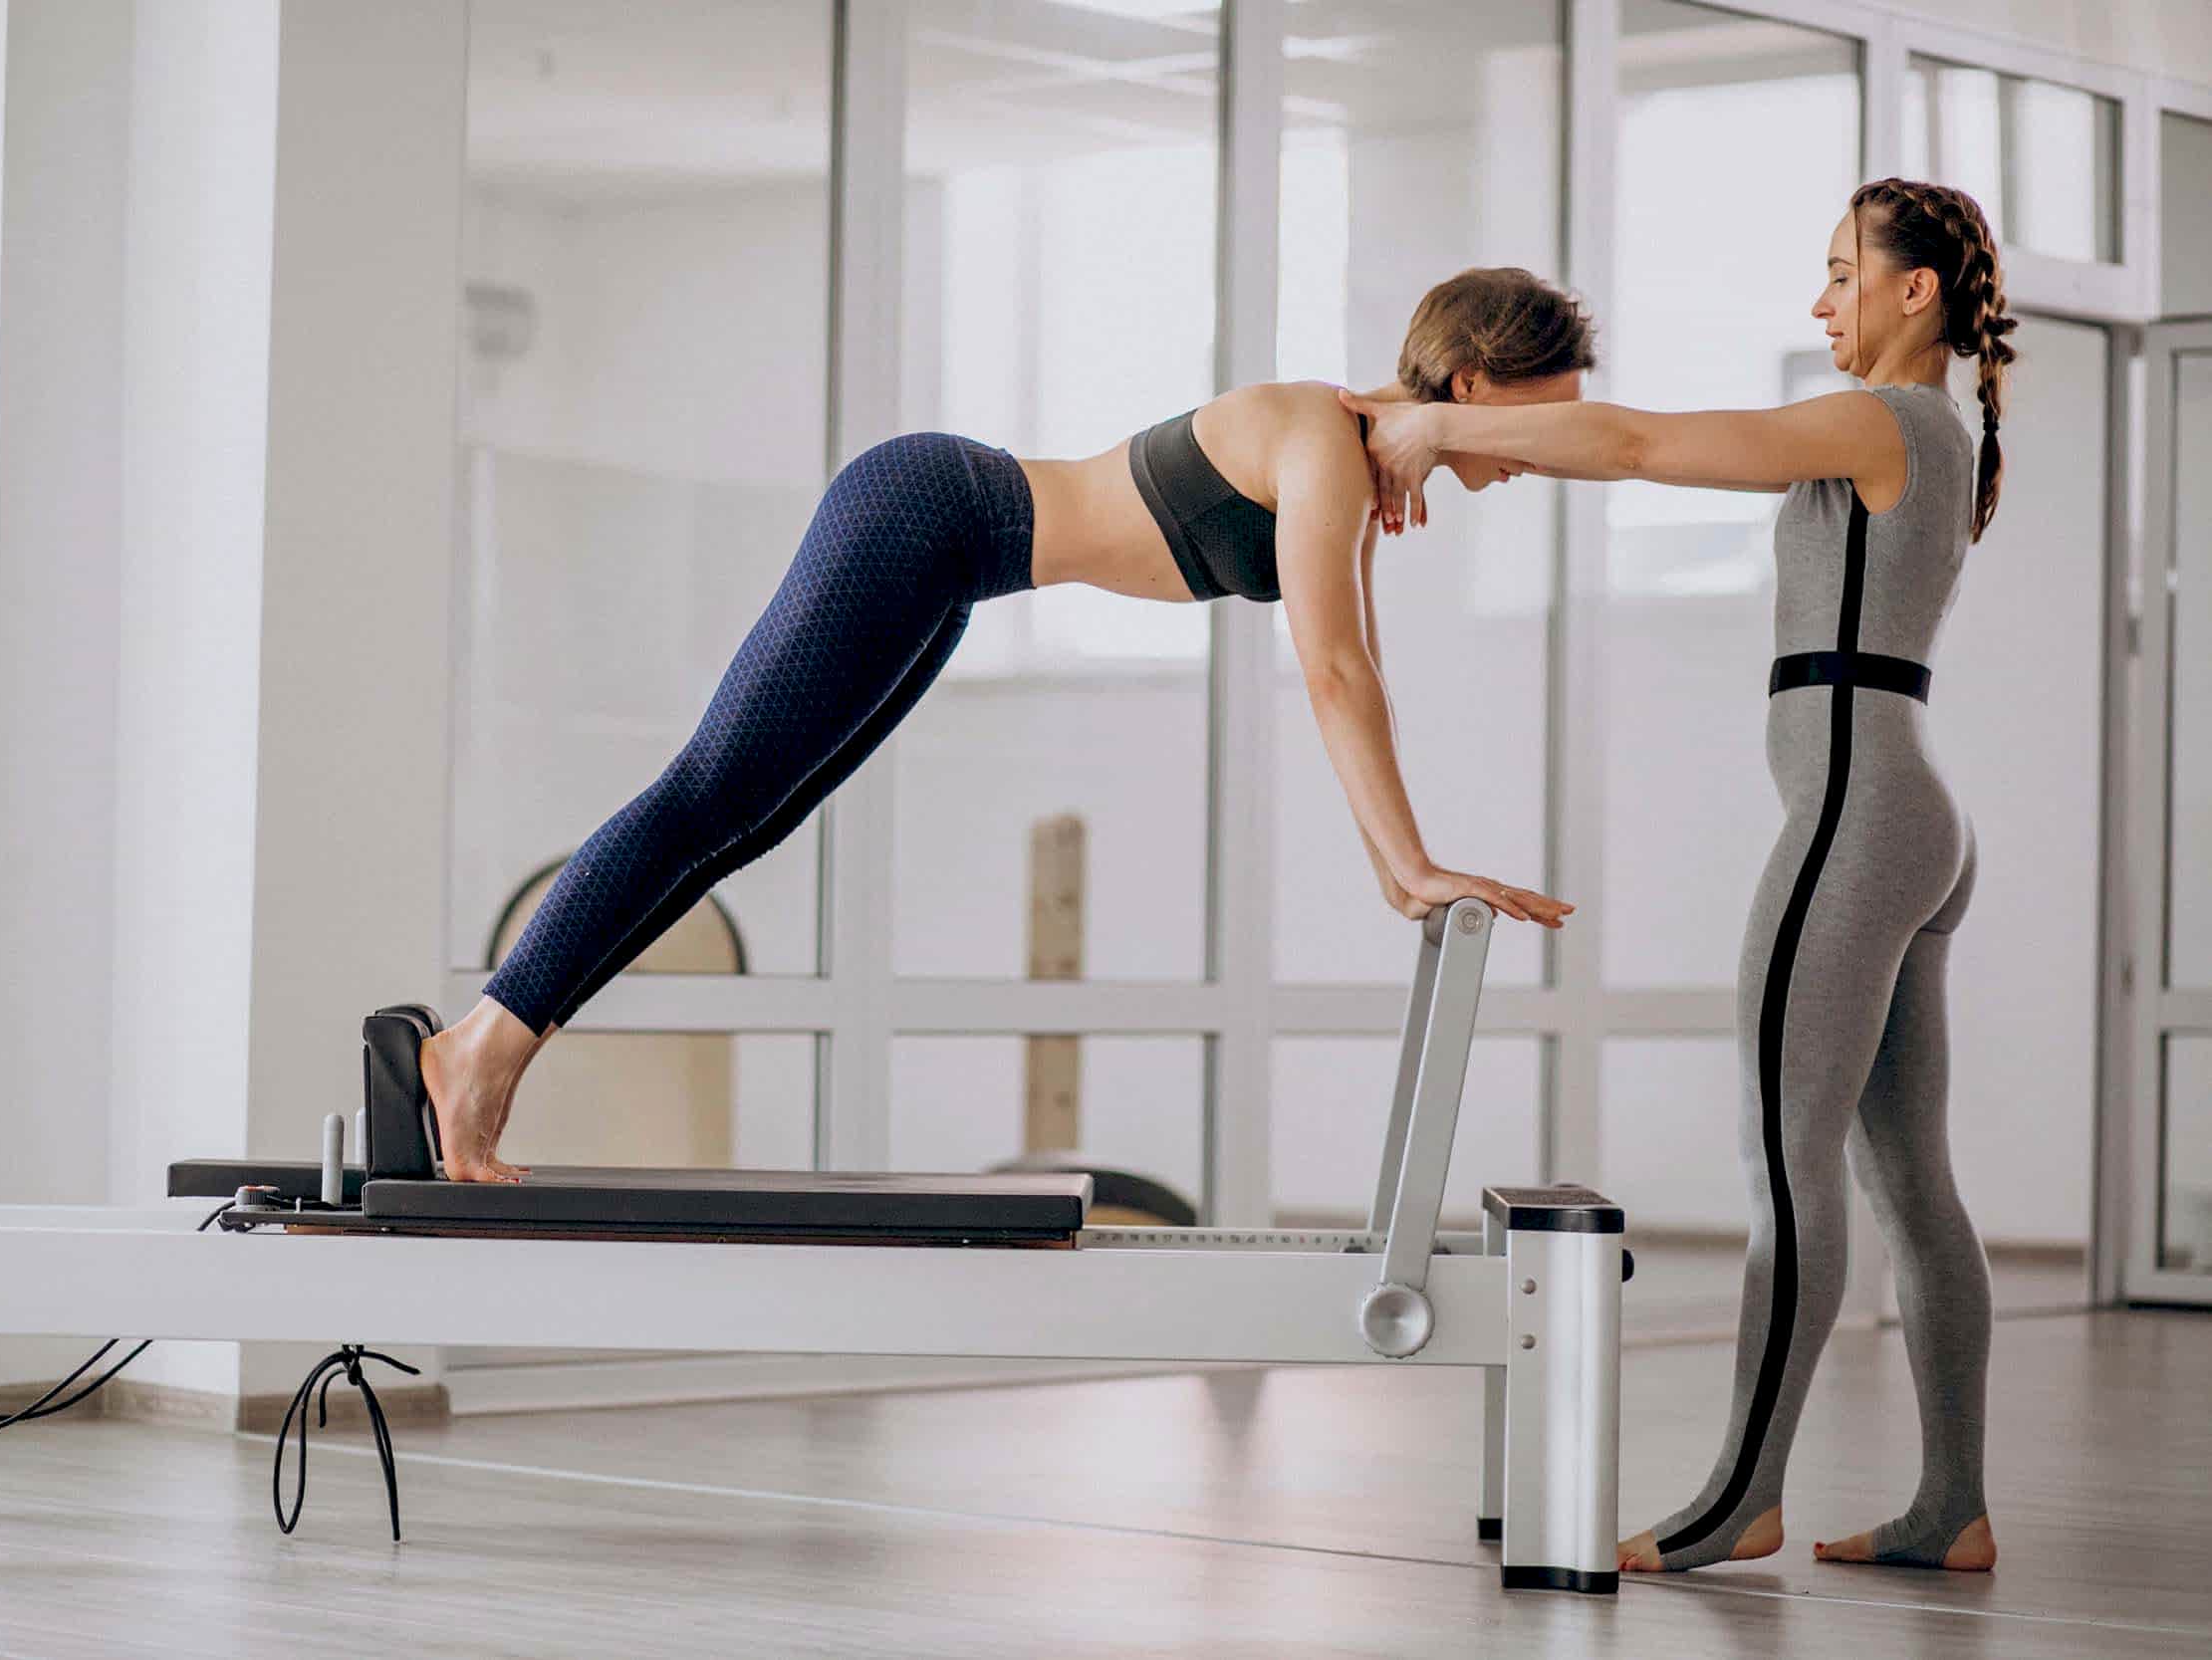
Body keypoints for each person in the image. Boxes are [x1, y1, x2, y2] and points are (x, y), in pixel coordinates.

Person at [416, 267, 1593, 1185]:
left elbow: (1364, 668)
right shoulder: (1321, 441)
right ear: (1475, 385)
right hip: (925, 514)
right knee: (711, 789)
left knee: (742, 824)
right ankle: (480, 1044)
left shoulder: (1354, 469)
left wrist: (1400, 872)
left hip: (956, 564)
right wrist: (1409, 860)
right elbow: (1332, 673)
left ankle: (491, 1042)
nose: (1543, 460)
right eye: (1543, 427)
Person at [1346, 178, 2015, 1575]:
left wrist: (1437, 422)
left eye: (1842, 273)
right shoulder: (1938, 431)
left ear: (1916, 295)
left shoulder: (1887, 416)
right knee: (1910, 1178)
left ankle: (1738, 1498)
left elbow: (1642, 441)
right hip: (1906, 816)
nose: (1819, 301)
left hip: (1855, 814)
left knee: (1785, 1159)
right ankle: (1952, 1502)